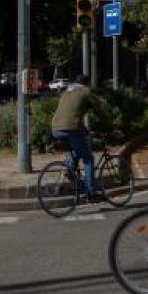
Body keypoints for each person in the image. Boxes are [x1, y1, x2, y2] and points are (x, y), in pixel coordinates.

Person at [50, 73, 96, 201]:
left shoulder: (67, 92)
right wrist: (110, 126)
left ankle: (69, 169)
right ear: (87, 83)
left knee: (77, 149)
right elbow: (100, 110)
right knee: (88, 159)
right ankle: (91, 193)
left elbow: (74, 117)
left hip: (55, 128)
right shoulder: (86, 91)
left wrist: (86, 132)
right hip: (71, 130)